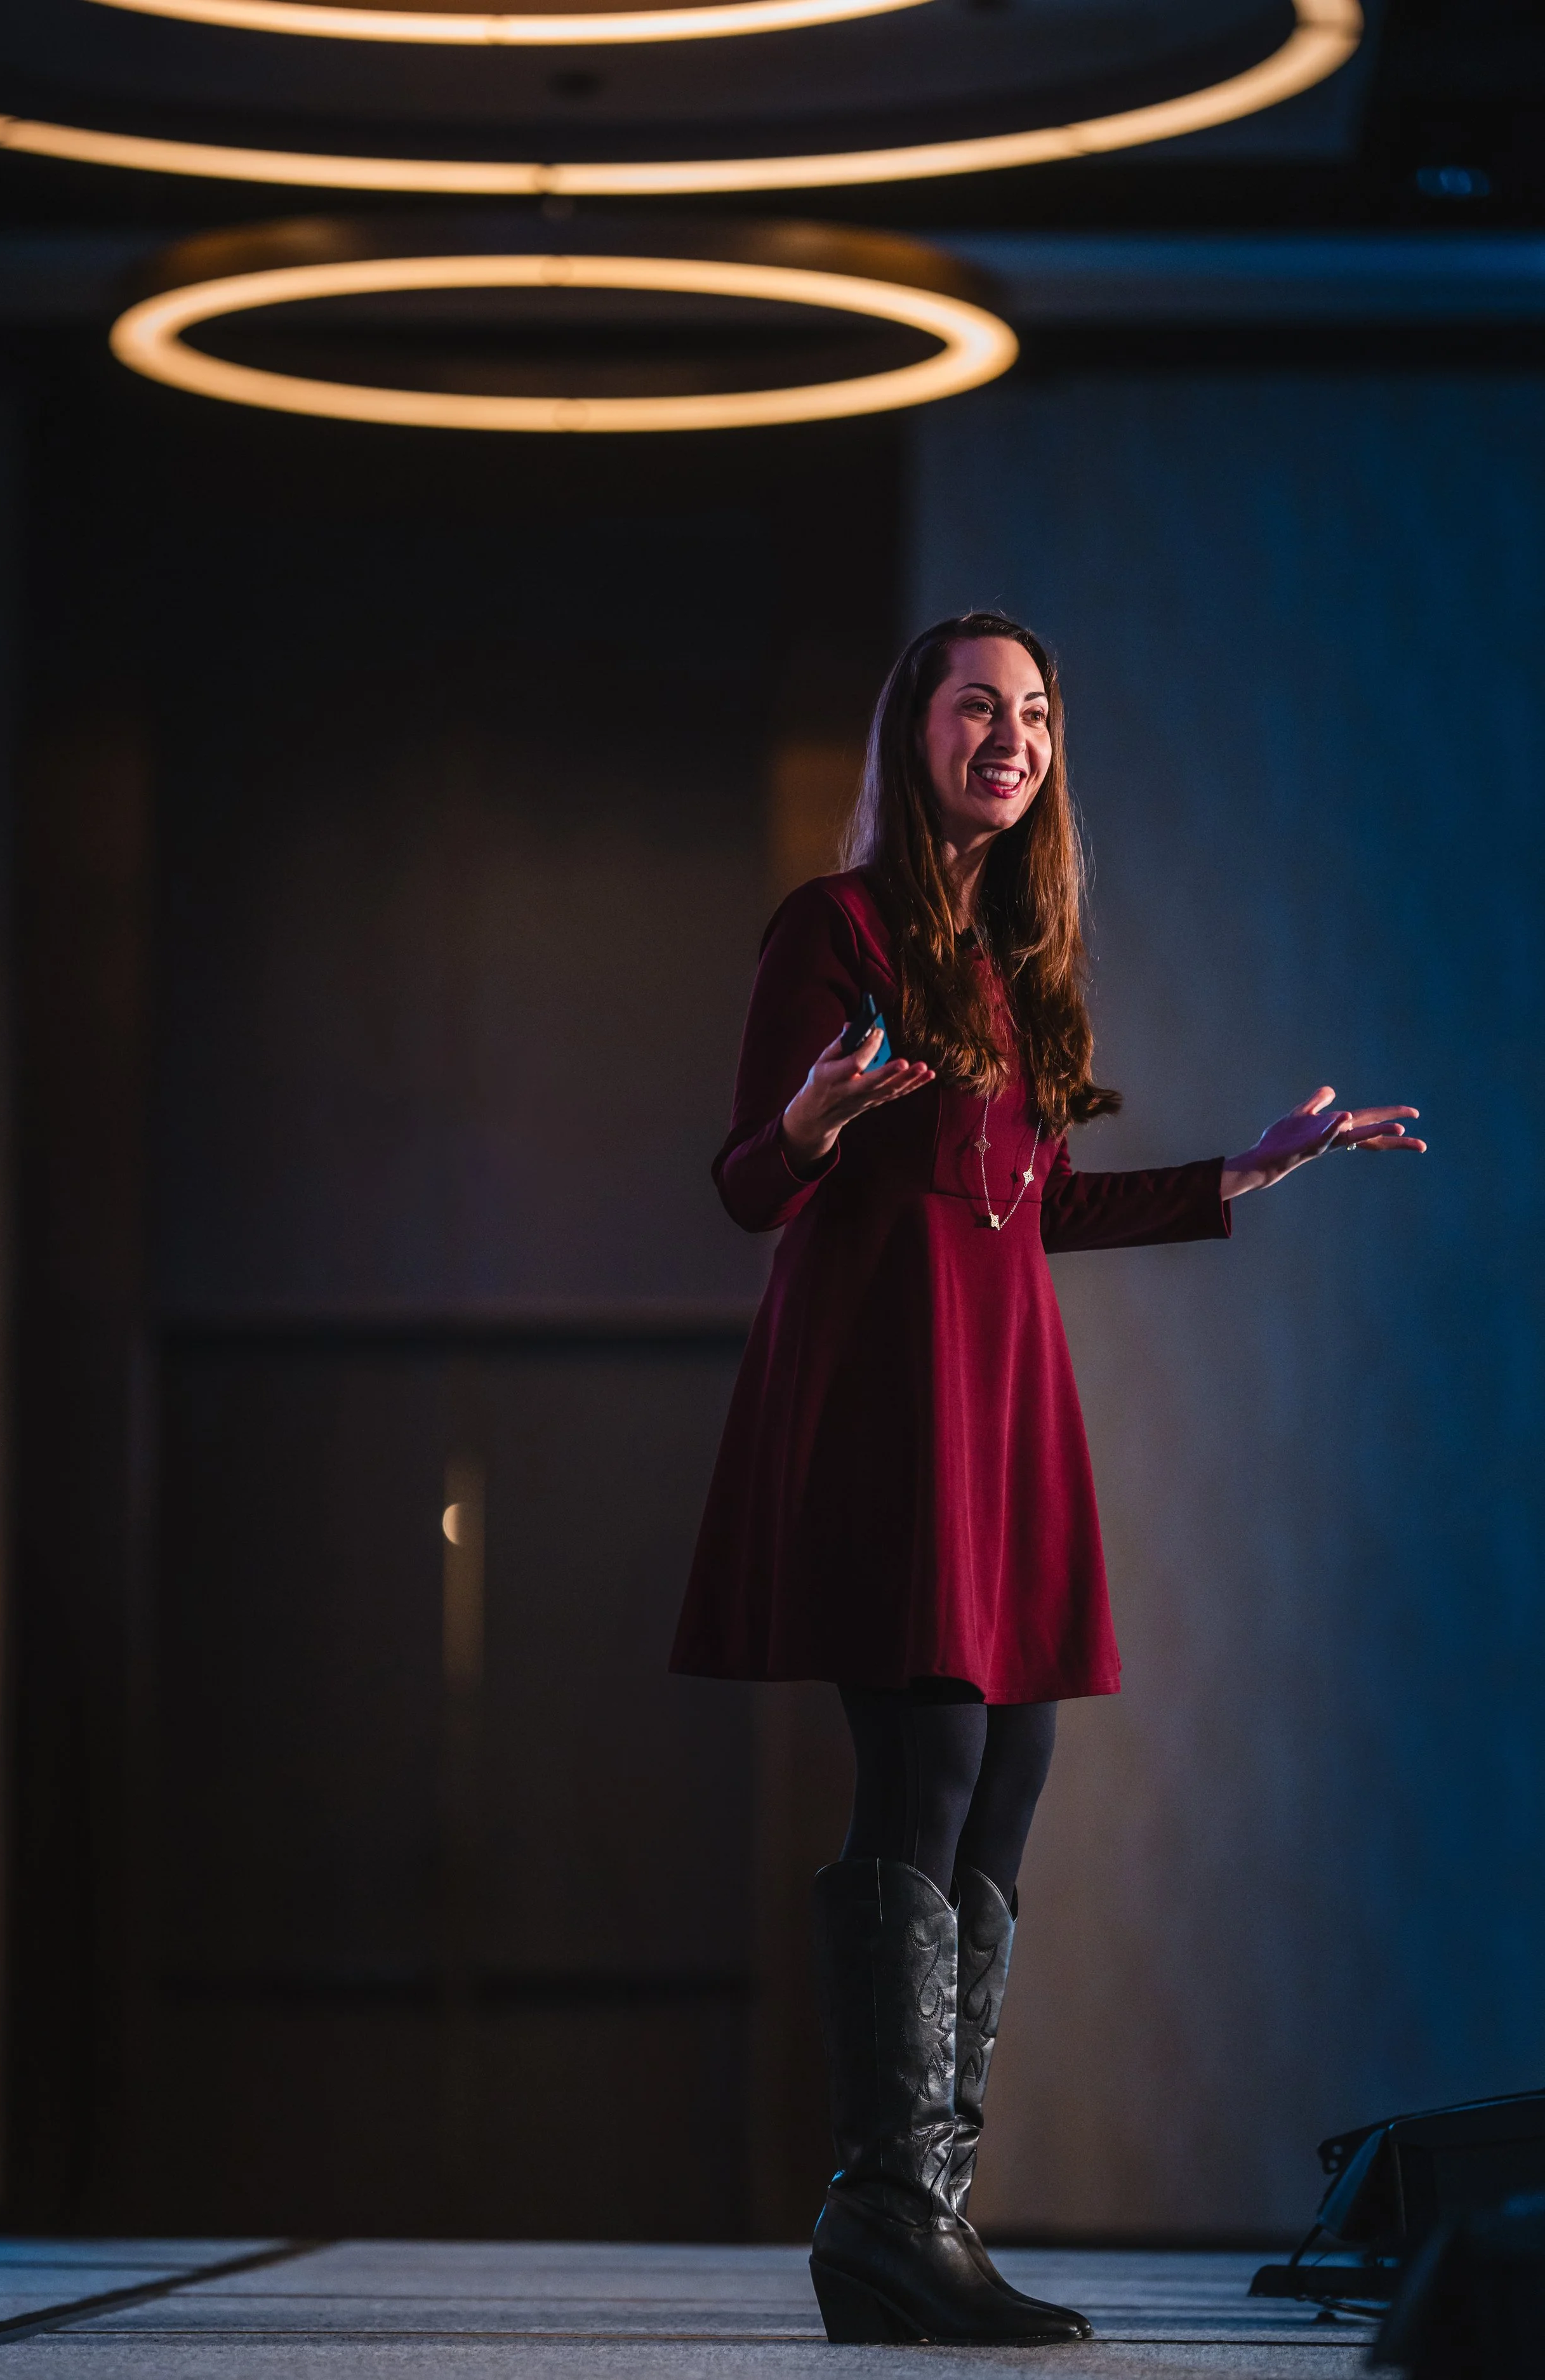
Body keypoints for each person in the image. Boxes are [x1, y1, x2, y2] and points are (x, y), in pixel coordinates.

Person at [668, 611, 1424, 2348]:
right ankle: (878, 2204)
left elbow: (1029, 1204)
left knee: (1011, 1754)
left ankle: (923, 2202)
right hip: (884, 1397)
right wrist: (809, 1123)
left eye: (1033, 716)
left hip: (999, 1395)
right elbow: (741, 1184)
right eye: (974, 707)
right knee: (928, 1749)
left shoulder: (1002, 963)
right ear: (911, 731)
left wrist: (1241, 1170)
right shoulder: (835, 926)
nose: (1008, 736)